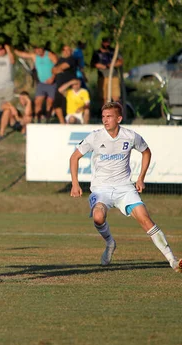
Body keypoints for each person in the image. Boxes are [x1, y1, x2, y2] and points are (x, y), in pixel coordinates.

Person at [69, 102, 181, 272]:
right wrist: (75, 184)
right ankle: (110, 243)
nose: (105, 120)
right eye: (103, 117)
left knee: (146, 220)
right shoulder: (95, 137)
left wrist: (141, 178)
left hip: (125, 188)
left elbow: (146, 152)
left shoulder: (130, 136)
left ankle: (172, 261)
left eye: (109, 117)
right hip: (101, 189)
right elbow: (74, 158)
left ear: (119, 118)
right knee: (98, 217)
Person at [15, 45, 58, 122]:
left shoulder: (50, 55)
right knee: (38, 102)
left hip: (51, 83)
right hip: (41, 83)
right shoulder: (35, 56)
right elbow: (22, 54)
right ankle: (37, 120)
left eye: (39, 49)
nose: (38, 51)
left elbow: (58, 66)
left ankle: (47, 121)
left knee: (49, 102)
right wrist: (12, 48)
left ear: (43, 48)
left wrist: (53, 77)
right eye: (36, 50)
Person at [91, 38, 123, 105]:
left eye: (108, 42)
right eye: (105, 42)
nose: (107, 44)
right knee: (104, 97)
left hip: (113, 77)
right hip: (102, 77)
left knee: (116, 97)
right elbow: (93, 64)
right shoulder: (97, 53)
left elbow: (120, 61)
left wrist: (112, 65)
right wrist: (101, 66)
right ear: (102, 42)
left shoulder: (114, 51)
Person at [51, 45, 78, 124]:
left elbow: (64, 66)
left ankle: (70, 123)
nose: (66, 52)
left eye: (68, 50)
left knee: (67, 107)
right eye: (64, 50)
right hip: (59, 86)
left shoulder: (72, 59)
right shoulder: (60, 60)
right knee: (57, 105)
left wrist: (58, 69)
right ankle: (62, 123)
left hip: (68, 86)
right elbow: (53, 71)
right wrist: (58, 69)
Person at [0, 44, 15, 124]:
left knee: (9, 106)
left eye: (2, 49)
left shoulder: (7, 57)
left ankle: (12, 122)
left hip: (8, 86)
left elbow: (12, 60)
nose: (1, 51)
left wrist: (7, 48)